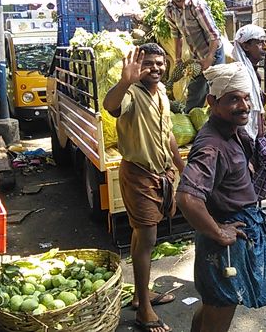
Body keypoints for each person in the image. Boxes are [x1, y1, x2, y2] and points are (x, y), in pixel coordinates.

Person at [176, 62, 266, 332]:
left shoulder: (231, 131)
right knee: (220, 310)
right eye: (233, 99)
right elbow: (187, 198)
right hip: (225, 244)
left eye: (246, 98)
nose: (243, 106)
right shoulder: (212, 146)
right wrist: (219, 233)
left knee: (213, 305)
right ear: (211, 102)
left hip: (233, 233)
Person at [102, 43, 184, 332]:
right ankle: (144, 312)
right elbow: (110, 106)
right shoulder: (132, 94)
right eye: (149, 63)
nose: (156, 68)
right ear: (137, 66)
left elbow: (168, 133)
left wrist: (180, 166)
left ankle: (140, 294)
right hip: (139, 174)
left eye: (160, 63)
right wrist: (125, 80)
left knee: (144, 235)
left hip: (161, 175)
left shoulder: (161, 92)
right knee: (147, 238)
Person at [164, 0, 225, 112]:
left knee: (217, 88)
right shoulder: (169, 10)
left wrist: (210, 58)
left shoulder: (197, 5)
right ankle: (190, 119)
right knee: (195, 90)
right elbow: (176, 34)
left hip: (213, 51)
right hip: (196, 54)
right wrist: (178, 58)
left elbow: (214, 35)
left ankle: (219, 120)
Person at [231, 24, 266, 141]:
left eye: (265, 42)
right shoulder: (239, 73)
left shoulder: (254, 73)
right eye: (260, 43)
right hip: (244, 136)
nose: (265, 47)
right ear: (246, 46)